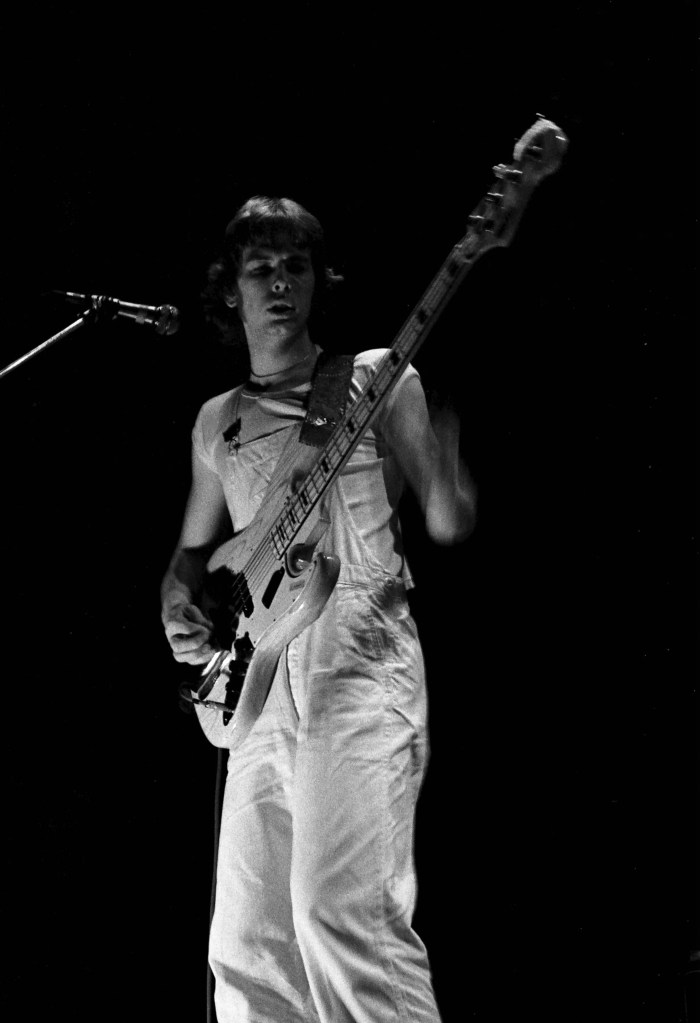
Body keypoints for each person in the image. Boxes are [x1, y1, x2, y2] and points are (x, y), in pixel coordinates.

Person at [160, 196, 476, 1023]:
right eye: (260, 267)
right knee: (248, 948)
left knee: (340, 915)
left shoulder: (376, 376)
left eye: (295, 265)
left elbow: (446, 517)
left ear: (316, 281)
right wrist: (176, 604)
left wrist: (445, 463)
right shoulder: (215, 421)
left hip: (358, 650)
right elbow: (191, 559)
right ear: (228, 290)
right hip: (259, 675)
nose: (279, 282)